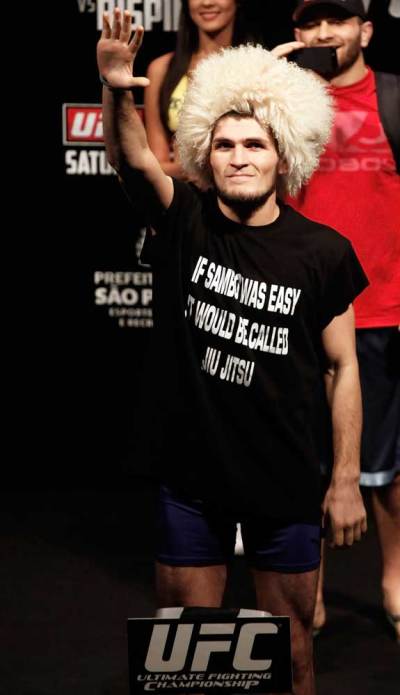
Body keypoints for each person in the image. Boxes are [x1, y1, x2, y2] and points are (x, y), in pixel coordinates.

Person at [97, 9, 369, 694]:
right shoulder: (184, 218)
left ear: (284, 156)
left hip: (282, 478)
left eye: (255, 144)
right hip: (190, 476)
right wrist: (116, 88)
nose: (240, 156)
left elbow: (343, 367)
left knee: (291, 647)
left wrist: (342, 479)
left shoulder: (324, 253)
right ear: (203, 155)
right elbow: (132, 157)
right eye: (225, 145)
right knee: (191, 651)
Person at [287, 0, 400, 642]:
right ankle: (312, 592)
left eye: (339, 18)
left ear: (367, 29)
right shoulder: (286, 100)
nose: (324, 33)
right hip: (299, 315)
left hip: (382, 308)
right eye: (311, 22)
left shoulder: (392, 98)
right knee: (305, 464)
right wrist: (273, 80)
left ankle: (394, 578)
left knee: (384, 468)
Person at [144, 0, 256, 179]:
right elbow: (156, 166)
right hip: (181, 198)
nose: (207, 3)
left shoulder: (258, 67)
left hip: (240, 194)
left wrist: (189, 165)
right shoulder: (161, 69)